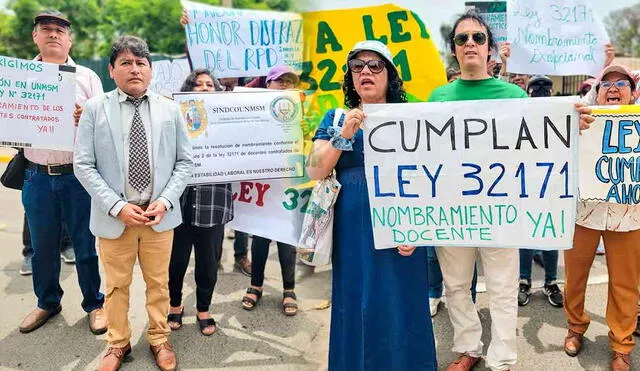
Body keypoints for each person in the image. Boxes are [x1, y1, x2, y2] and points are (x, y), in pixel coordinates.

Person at [429, 12, 593, 371]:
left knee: (503, 289)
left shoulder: (514, 94)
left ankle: (502, 358)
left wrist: (568, 125)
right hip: (452, 213)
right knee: (456, 286)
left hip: (501, 212)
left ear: (489, 49)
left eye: (477, 38)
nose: (469, 43)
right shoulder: (437, 97)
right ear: (454, 50)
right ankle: (468, 348)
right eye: (461, 39)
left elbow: (539, 146)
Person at [307, 40, 437, 370]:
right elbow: (316, 168)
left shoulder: (412, 117)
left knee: (400, 300)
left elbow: (430, 177)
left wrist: (418, 229)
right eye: (357, 66)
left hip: (401, 225)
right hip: (352, 232)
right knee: (356, 298)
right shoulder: (335, 117)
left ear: (389, 75)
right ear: (350, 77)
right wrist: (344, 135)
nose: (365, 71)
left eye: (375, 65)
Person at [74, 35, 193, 371]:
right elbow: (83, 164)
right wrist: (117, 206)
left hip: (158, 216)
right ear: (112, 70)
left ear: (151, 71)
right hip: (116, 217)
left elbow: (185, 162)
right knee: (115, 286)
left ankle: (159, 338)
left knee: (160, 283)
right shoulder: (96, 109)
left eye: (141, 63)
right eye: (126, 62)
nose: (135, 69)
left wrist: (167, 201)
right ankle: (118, 342)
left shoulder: (170, 109)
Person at [18, 9, 106, 335]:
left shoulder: (87, 78)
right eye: (46, 29)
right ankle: (47, 302)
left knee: (85, 245)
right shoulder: (18, 79)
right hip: (37, 175)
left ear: (70, 40)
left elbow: (106, 129)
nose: (53, 34)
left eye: (60, 30)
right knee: (42, 247)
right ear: (35, 37)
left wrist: (89, 119)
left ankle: (95, 304)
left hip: (78, 176)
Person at [563, 64, 640, 371]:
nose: (613, 88)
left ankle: (622, 345)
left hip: (629, 215)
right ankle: (575, 327)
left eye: (621, 83)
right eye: (606, 83)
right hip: (584, 213)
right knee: (576, 277)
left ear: (632, 93)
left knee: (625, 283)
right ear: (596, 93)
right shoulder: (581, 121)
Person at [167, 69, 229, 336]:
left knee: (207, 262)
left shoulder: (230, 121)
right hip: (178, 202)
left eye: (209, 85)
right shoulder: (172, 117)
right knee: (175, 261)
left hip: (213, 202)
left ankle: (204, 309)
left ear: (217, 90)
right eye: (197, 84)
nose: (203, 88)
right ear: (187, 90)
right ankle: (175, 304)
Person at [241, 64, 301, 317]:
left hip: (289, 184)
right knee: (261, 237)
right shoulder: (253, 111)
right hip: (262, 185)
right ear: (268, 85)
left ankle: (289, 290)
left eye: (289, 81)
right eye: (279, 81)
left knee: (287, 239)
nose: (285, 85)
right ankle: (255, 285)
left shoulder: (301, 110)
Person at [517, 75, 563, 309]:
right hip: (526, 185)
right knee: (526, 235)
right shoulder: (520, 114)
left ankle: (551, 281)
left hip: (553, 187)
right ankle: (524, 280)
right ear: (528, 92)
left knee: (550, 235)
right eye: (536, 88)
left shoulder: (562, 115)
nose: (541, 91)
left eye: (545, 88)